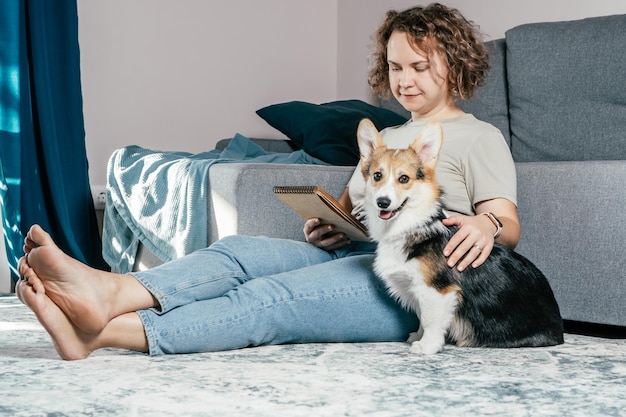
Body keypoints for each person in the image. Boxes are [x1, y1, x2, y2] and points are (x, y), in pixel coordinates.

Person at [16, 3, 519, 360]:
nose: (404, 79)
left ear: (453, 66)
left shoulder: (478, 137)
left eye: (418, 66)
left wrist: (487, 223)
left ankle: (101, 335)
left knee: (270, 300)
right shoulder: (384, 136)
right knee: (236, 252)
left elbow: (508, 223)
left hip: (410, 280)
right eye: (394, 67)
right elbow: (353, 210)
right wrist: (329, 227)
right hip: (360, 252)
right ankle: (108, 291)